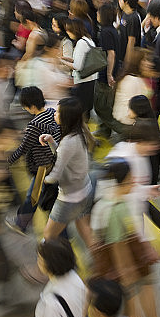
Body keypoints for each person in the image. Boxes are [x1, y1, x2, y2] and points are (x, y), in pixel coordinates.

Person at [90, 160, 160, 317]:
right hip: (123, 265)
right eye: (130, 178)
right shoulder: (117, 208)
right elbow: (118, 245)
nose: (133, 181)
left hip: (120, 263)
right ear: (122, 181)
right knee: (130, 304)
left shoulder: (104, 201)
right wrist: (127, 271)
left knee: (135, 298)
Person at [5, 86, 62, 234]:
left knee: (34, 195)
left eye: (25, 107)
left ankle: (22, 223)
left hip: (42, 166)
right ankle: (24, 222)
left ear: (32, 106)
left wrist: (9, 160)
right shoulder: (52, 112)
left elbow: (23, 148)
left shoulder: (34, 125)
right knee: (43, 196)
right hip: (56, 161)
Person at [40, 96, 94, 247]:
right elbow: (64, 156)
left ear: (66, 117)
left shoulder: (68, 141)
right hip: (85, 189)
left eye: (57, 112)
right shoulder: (80, 131)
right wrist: (51, 141)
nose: (54, 114)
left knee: (48, 236)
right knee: (85, 231)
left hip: (70, 198)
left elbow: (55, 175)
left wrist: (41, 180)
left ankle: (58, 266)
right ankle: (102, 264)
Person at [34, 238, 86, 317]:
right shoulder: (75, 278)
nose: (38, 261)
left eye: (40, 259)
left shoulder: (51, 303)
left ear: (49, 264)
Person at [94, 2, 123, 138]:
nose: (96, 15)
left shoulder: (105, 32)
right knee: (106, 104)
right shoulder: (112, 30)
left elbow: (111, 54)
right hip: (113, 71)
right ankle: (104, 130)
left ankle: (121, 130)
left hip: (106, 74)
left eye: (98, 12)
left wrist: (109, 74)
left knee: (102, 106)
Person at [63, 18, 98, 117]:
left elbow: (77, 66)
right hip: (91, 79)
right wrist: (68, 59)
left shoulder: (81, 43)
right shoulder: (88, 40)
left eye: (68, 30)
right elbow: (83, 61)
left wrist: (64, 62)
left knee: (80, 112)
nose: (67, 33)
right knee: (85, 110)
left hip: (83, 81)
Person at [112, 51, 154, 132]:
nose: (148, 63)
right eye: (144, 60)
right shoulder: (132, 80)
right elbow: (137, 104)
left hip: (128, 121)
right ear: (137, 62)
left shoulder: (132, 78)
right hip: (129, 123)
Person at [118, 0, 142, 65]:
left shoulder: (133, 18)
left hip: (128, 58)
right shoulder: (124, 13)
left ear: (126, 2)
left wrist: (127, 61)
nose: (119, 0)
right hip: (121, 54)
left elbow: (131, 41)